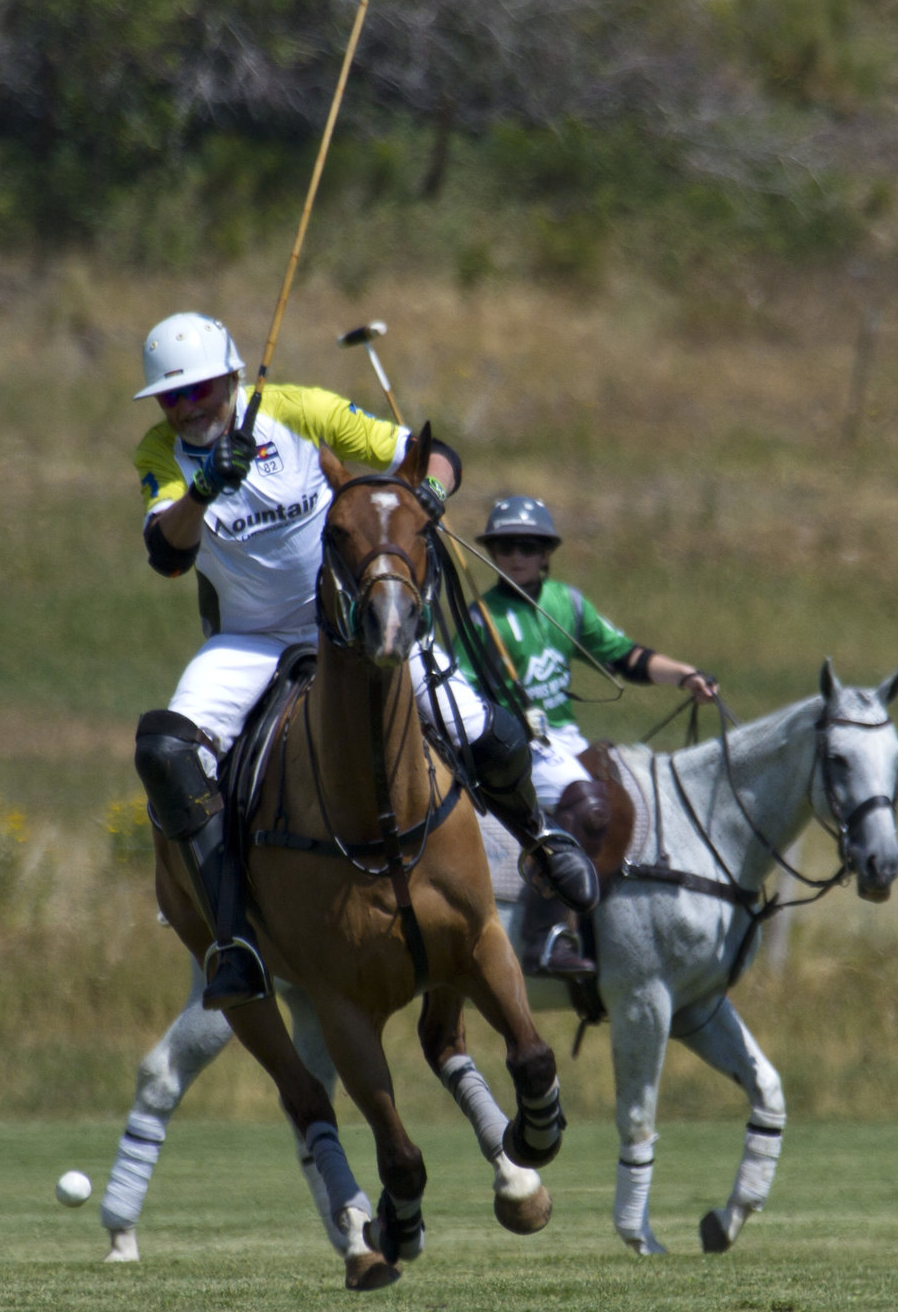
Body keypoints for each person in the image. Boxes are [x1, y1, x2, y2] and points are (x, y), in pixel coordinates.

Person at [127, 312, 599, 1012]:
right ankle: (234, 937)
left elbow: (429, 455)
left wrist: (429, 493)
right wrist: (201, 490)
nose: (189, 408)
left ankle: (539, 840)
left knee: (491, 732)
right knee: (165, 752)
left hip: (348, 625)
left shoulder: (299, 411)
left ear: (232, 376)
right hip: (250, 639)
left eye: (201, 390)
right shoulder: (159, 452)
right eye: (173, 397)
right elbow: (168, 555)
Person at [450, 494, 718, 980]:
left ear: (546, 552)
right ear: (492, 551)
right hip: (519, 744)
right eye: (506, 546)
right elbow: (458, 691)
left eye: (528, 546)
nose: (517, 556)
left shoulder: (566, 605)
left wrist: (684, 676)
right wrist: (501, 720)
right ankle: (543, 939)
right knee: (591, 807)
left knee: (633, 798)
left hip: (564, 739)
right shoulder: (480, 618)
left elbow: (622, 656)